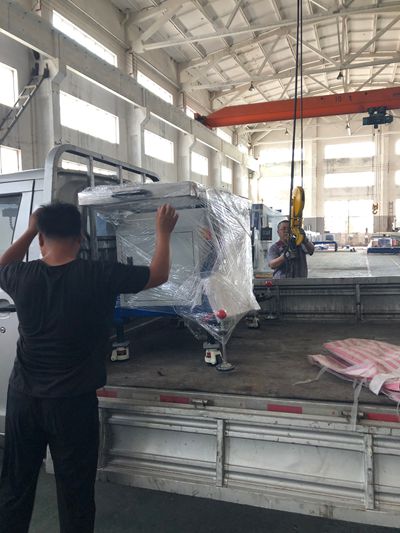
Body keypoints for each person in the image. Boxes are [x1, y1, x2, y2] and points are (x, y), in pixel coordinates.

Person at [0, 201, 178, 533]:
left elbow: (2, 264)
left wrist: (29, 230)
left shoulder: (22, 275)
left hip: (24, 399)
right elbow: (159, 275)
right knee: (76, 493)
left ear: (42, 238)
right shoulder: (98, 274)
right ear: (80, 238)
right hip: (72, 403)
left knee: (15, 485)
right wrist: (163, 232)